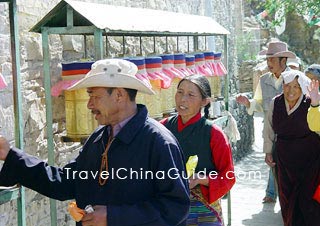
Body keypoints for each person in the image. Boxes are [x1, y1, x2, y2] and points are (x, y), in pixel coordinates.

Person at [0, 59, 190, 226]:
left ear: (119, 95)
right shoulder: (99, 137)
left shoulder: (159, 142)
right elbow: (66, 183)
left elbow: (175, 207)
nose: (89, 104)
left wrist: (114, 217)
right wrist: (11, 156)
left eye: (95, 96)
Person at [160, 74, 235, 226]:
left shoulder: (214, 134)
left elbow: (228, 177)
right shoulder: (162, 128)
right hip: (169, 207)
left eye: (190, 95)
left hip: (204, 212)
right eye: (180, 92)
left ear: (204, 101)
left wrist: (201, 179)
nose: (182, 99)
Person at [236, 41, 296, 203]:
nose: (268, 63)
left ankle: (281, 193)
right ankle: (272, 193)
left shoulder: (295, 79)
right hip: (271, 129)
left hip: (292, 131)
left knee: (289, 162)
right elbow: (259, 103)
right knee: (272, 159)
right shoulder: (264, 80)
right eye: (267, 59)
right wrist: (248, 103)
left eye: (272, 60)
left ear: (283, 61)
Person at [263, 70, 320, 226]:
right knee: (286, 197)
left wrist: (316, 103)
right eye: (288, 86)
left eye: (296, 86)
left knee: (307, 200)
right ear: (283, 86)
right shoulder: (276, 102)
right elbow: (268, 128)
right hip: (285, 159)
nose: (291, 91)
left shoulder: (310, 103)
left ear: (302, 88)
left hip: (310, 161)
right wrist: (268, 151)